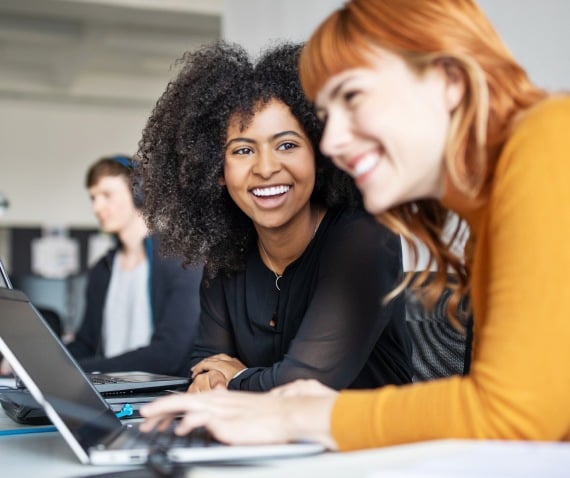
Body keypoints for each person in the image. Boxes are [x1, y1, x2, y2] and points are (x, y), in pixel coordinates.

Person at [139, 0, 570, 448]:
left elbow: (515, 413)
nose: (333, 142)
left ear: (450, 81)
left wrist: (301, 414)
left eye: (354, 97)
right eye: (326, 116)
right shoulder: (494, 204)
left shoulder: (547, 143)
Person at [136, 41, 414, 393]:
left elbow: (304, 386)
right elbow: (206, 372)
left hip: (369, 444)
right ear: (217, 170)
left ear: (320, 153)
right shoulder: (226, 258)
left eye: (287, 145)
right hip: (266, 442)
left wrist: (235, 378)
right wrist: (223, 381)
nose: (266, 168)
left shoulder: (365, 240)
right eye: (243, 150)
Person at [66, 155, 203, 376]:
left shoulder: (182, 262)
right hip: (106, 395)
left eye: (107, 195)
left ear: (138, 193)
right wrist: (40, 365)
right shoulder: (102, 269)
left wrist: (80, 371)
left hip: (159, 399)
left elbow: (169, 354)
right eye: (93, 198)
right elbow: (86, 344)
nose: (97, 207)